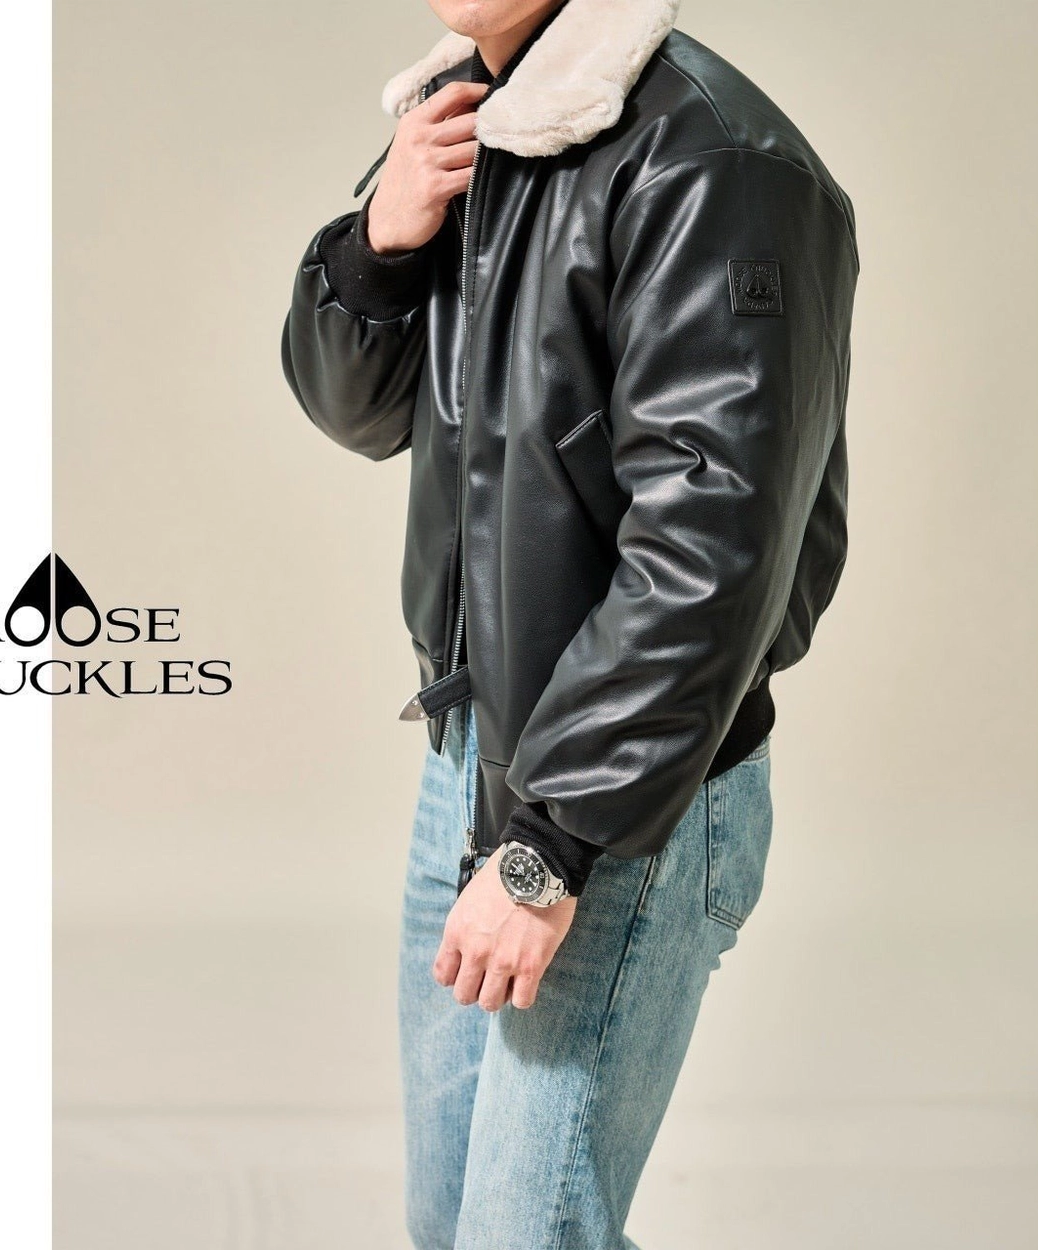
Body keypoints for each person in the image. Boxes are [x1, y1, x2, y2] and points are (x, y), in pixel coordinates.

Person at [281, 0, 858, 1245]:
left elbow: (711, 550)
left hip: (625, 802)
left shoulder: (711, 160)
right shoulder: (469, 127)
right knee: (452, 1224)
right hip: (469, 762)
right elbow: (357, 408)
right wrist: (379, 244)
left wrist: (547, 846)